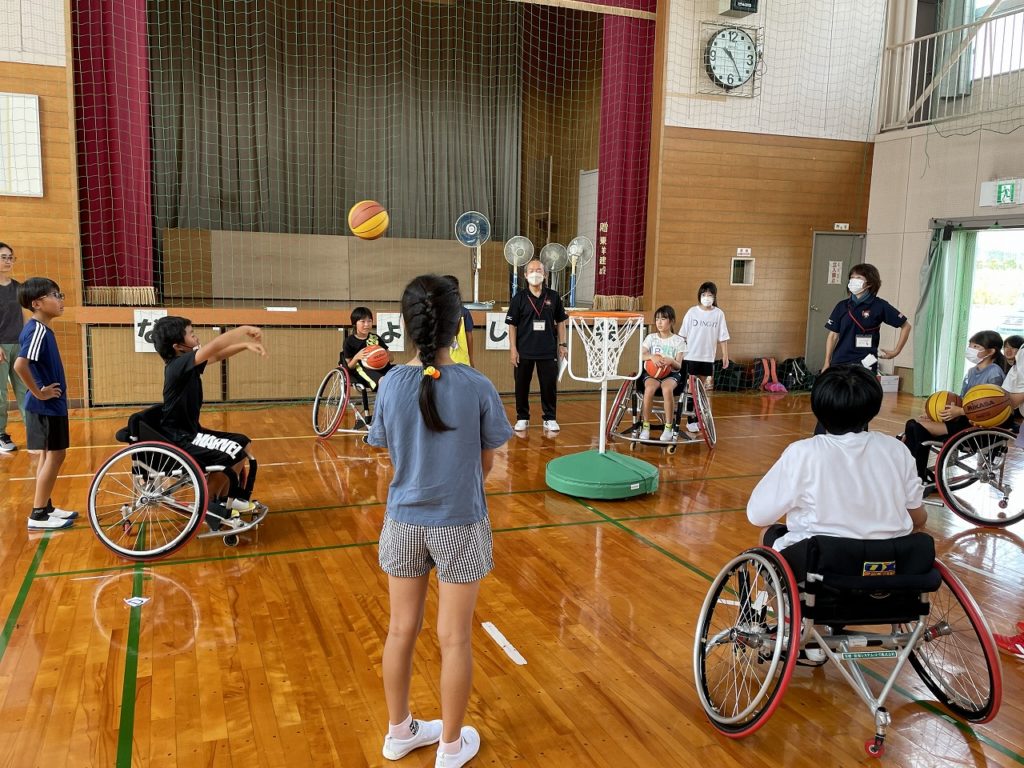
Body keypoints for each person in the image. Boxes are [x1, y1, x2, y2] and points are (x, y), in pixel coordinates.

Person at [368, 274, 513, 768]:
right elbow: (487, 460)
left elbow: (392, 451)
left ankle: (398, 733)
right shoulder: (477, 385)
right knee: (454, 637)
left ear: (407, 326)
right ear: (458, 326)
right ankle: (450, 746)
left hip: (403, 522)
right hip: (460, 524)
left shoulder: (389, 383)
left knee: (399, 630)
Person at [747, 365, 926, 580]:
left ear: (818, 407)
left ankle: (783, 609)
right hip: (889, 564)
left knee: (767, 533)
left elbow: (758, 515)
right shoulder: (897, 449)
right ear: (874, 407)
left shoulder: (804, 452)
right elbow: (918, 517)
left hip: (825, 563)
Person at [151, 317, 267, 518]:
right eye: (190, 333)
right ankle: (209, 503)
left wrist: (245, 345)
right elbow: (214, 347)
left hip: (191, 431)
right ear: (178, 346)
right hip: (181, 437)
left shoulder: (187, 364)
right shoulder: (177, 366)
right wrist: (244, 329)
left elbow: (217, 355)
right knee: (235, 450)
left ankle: (223, 499)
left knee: (243, 443)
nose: (195, 335)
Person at [12, 278, 79, 529]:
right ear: (37, 303)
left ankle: (45, 507)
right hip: (46, 406)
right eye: (55, 295)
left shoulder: (42, 329)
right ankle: (38, 514)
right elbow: (20, 365)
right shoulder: (37, 330)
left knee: (47, 455)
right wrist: (39, 393)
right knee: (56, 455)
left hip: (49, 406)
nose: (61, 299)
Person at [902, 330, 1008, 482]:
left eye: (976, 346)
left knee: (918, 428)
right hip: (963, 419)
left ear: (991, 351)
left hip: (977, 428)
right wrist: (935, 414)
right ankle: (912, 473)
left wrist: (960, 411)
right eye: (970, 345)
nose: (970, 349)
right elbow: (962, 399)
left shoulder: (994, 373)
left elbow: (989, 408)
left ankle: (918, 477)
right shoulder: (972, 372)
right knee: (912, 424)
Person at [506, 257, 568, 432]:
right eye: (531, 271)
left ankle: (549, 418)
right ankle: (522, 417)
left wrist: (563, 344)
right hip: (524, 351)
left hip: (548, 350)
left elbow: (561, 322)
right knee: (521, 386)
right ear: (525, 275)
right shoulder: (518, 298)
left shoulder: (554, 297)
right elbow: (512, 325)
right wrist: (513, 349)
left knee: (549, 386)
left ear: (545, 275)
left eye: (539, 270)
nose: (535, 274)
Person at [822, 263, 910, 372]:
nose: (853, 280)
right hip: (840, 360)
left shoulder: (880, 305)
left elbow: (906, 326)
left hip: (866, 362)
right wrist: (827, 361)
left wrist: (896, 351)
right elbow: (833, 335)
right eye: (852, 278)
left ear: (869, 283)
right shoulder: (842, 306)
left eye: (858, 278)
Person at [680, 282, 729, 434]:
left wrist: (725, 355)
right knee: (691, 388)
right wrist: (679, 356)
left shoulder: (718, 314)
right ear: (699, 296)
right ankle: (690, 420)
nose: (707, 298)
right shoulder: (692, 312)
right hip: (691, 356)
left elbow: (723, 337)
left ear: (714, 297)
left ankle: (698, 417)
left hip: (707, 357)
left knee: (700, 390)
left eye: (710, 295)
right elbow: (682, 335)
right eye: (704, 295)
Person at [638, 305, 685, 442]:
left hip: (671, 374)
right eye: (657, 318)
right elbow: (641, 355)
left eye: (663, 319)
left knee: (667, 389)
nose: (659, 322)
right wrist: (651, 357)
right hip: (652, 373)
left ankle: (668, 427)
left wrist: (671, 361)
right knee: (649, 389)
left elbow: (679, 365)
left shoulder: (679, 341)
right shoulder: (651, 338)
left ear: (671, 321)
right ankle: (645, 427)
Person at [0, 242, 28, 453]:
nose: (8, 261)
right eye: (3, 257)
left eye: (10, 257)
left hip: (19, 345)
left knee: (25, 390)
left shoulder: (19, 287)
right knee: (0, 395)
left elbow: (24, 317)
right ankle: (1, 434)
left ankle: (34, 432)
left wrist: (27, 342)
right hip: (1, 347)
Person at [341, 306, 394, 390]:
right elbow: (349, 367)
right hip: (364, 370)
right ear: (355, 323)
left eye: (369, 321)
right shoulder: (349, 341)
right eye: (363, 321)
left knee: (402, 372)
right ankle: (384, 400)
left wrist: (383, 356)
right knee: (383, 381)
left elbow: (391, 359)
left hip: (383, 367)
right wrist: (356, 357)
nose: (367, 324)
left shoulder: (375, 337)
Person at [443, 275, 474, 366]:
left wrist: (471, 358)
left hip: (444, 362)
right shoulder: (464, 312)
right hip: (460, 362)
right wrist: (471, 359)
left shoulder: (463, 312)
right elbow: (470, 338)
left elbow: (469, 337)